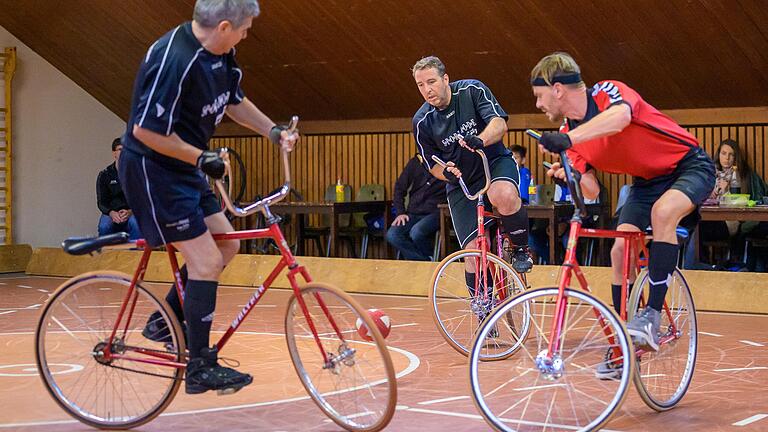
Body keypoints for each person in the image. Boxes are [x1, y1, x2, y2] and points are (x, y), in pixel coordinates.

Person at [120, 0, 298, 395]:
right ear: (222, 27)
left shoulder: (221, 53)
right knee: (205, 260)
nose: (246, 35)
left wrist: (273, 132)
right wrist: (202, 157)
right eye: (244, 28)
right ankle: (199, 366)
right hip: (152, 170)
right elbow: (144, 132)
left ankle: (163, 320)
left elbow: (233, 101)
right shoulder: (174, 60)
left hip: (185, 166)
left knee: (226, 246)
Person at [530, 52, 715, 376]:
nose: (537, 104)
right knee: (619, 252)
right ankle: (625, 343)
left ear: (557, 89)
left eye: (539, 95)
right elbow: (592, 191)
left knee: (663, 213)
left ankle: (652, 316)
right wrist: (570, 173)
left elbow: (620, 119)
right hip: (645, 182)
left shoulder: (606, 93)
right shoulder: (569, 134)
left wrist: (569, 138)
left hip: (688, 165)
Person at [411, 56, 533, 324]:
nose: (427, 89)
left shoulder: (471, 90)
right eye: (420, 85)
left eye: (431, 82)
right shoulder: (422, 121)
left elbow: (499, 124)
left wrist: (481, 139)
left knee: (503, 196)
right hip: (462, 181)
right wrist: (447, 172)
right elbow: (432, 164)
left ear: (445, 79)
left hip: (494, 163)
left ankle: (521, 248)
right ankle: (484, 312)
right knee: (475, 251)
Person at [386, 154, 446, 261]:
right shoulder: (416, 162)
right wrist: (400, 212)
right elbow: (399, 188)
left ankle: (424, 262)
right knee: (392, 235)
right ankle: (425, 261)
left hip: (436, 212)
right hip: (413, 212)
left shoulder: (448, 163)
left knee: (416, 232)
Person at [97, 138, 141, 240]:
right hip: (111, 212)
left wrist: (130, 212)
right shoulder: (104, 175)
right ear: (114, 153)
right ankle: (105, 255)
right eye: (121, 149)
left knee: (137, 224)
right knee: (104, 226)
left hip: (132, 212)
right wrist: (112, 213)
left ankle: (135, 254)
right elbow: (101, 202)